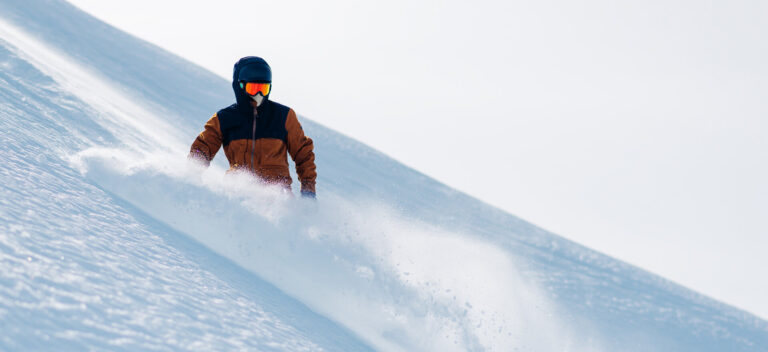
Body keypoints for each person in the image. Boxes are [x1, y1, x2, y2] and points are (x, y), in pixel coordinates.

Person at [189, 56, 317, 198]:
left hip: (278, 195)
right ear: (240, 86)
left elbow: (303, 154)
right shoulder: (225, 118)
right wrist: (193, 174)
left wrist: (308, 189)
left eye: (264, 88)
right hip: (237, 192)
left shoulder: (283, 116)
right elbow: (204, 146)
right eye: (253, 88)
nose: (259, 94)